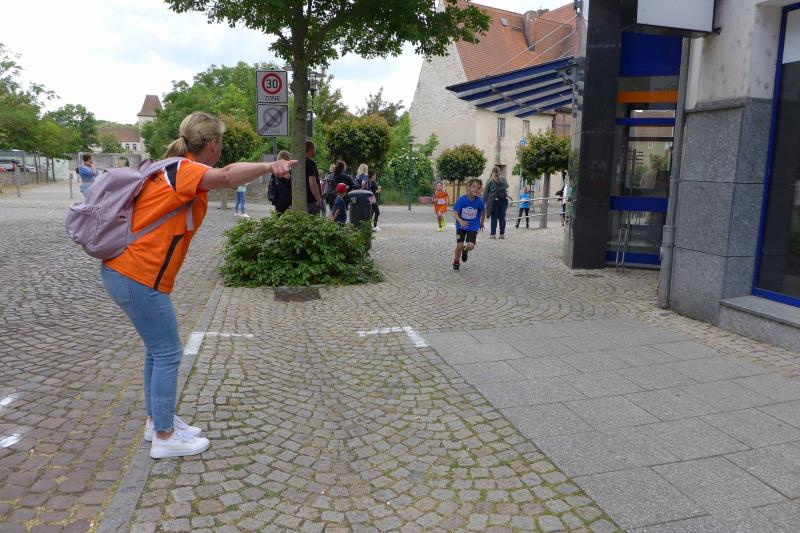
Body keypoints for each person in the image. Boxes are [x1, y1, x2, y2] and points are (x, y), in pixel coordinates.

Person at [101, 112, 295, 459]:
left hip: (128, 272)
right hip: (138, 275)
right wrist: (269, 166)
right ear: (214, 144)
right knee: (168, 352)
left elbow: (223, 174)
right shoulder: (186, 170)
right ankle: (164, 437)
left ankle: (157, 422)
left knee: (157, 351)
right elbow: (227, 176)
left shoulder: (173, 167)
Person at [452, 178, 486, 271]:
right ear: (469, 187)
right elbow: (455, 214)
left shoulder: (480, 201)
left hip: (473, 227)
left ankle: (465, 250)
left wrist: (482, 222)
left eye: (478, 188)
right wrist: (460, 221)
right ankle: (456, 261)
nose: (476, 189)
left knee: (471, 246)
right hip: (461, 226)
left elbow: (483, 211)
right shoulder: (462, 200)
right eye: (474, 187)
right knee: (459, 245)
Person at [482, 166, 509, 239]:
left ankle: (493, 234)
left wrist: (482, 203)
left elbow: (485, 192)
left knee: (494, 218)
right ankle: (502, 234)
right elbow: (507, 186)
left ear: (492, 172)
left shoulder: (490, 180)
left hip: (494, 202)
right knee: (502, 218)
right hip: (503, 201)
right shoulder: (503, 179)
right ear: (499, 172)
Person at [305, 141, 323, 215]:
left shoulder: (299, 162)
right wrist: (318, 199)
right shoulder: (310, 163)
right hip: (312, 202)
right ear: (311, 149)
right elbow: (312, 182)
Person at [273, 150, 293, 215]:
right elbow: (290, 184)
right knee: (288, 218)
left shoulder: (275, 170)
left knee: (279, 218)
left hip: (277, 199)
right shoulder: (286, 171)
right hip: (286, 200)